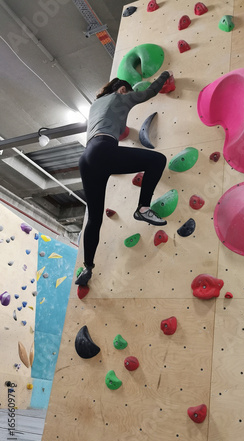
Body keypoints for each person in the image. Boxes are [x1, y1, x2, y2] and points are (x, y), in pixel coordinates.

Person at [75, 70, 171, 286]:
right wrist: (165, 75)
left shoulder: (95, 106)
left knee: (94, 219)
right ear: (122, 89)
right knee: (157, 161)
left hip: (87, 159)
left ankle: (87, 268)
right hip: (103, 151)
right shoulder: (121, 96)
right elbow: (149, 92)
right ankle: (143, 208)